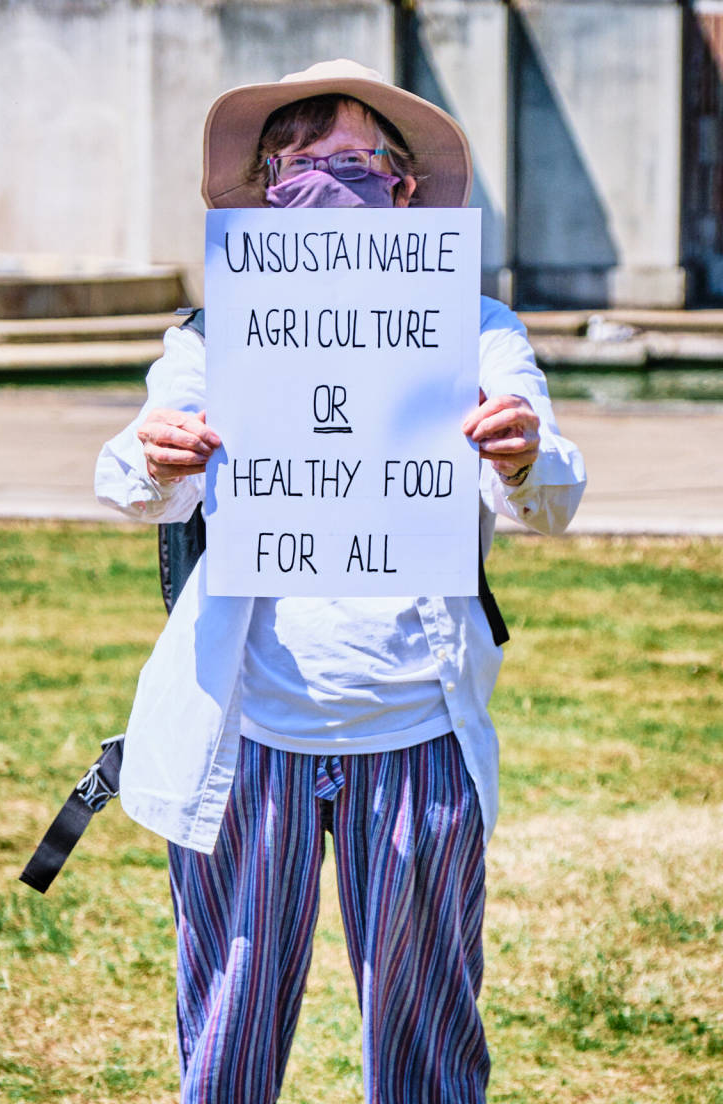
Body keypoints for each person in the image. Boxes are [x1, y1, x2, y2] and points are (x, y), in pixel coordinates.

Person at [95, 59, 586, 1104]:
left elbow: (548, 497)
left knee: (428, 1054)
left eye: (356, 159)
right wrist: (158, 455)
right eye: (301, 159)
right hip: (251, 735)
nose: (328, 178)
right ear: (269, 184)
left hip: (416, 729)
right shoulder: (213, 333)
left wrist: (521, 454)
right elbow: (129, 481)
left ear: (403, 189)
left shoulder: (478, 331)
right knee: (226, 1040)